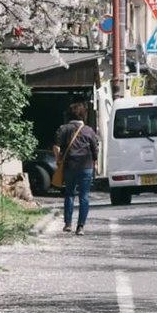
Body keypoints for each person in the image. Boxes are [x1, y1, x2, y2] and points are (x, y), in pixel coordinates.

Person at [52, 101, 99, 236]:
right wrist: (95, 163)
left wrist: (58, 160)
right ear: (83, 115)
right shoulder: (89, 131)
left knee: (69, 194)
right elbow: (95, 150)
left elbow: (56, 147)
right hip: (86, 167)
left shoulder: (63, 128)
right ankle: (81, 227)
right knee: (84, 196)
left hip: (69, 166)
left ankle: (67, 224)